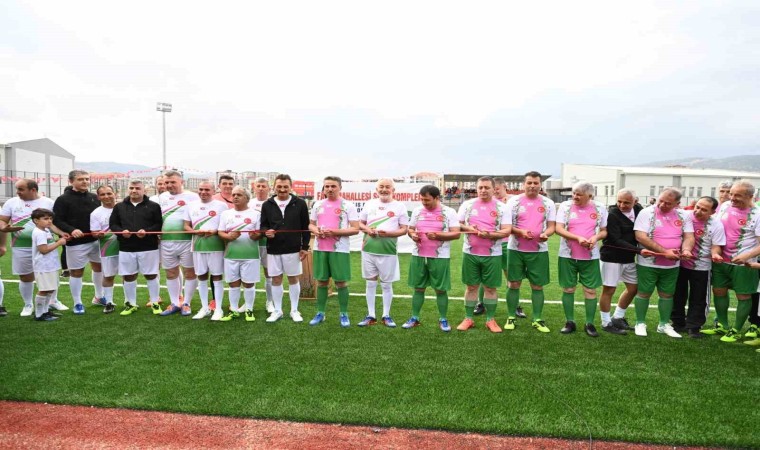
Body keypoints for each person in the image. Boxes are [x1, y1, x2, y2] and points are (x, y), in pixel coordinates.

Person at [632, 187, 694, 338]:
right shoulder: (646, 212)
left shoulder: (683, 215)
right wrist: (665, 252)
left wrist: (686, 250)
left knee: (667, 294)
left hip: (672, 264)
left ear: (677, 204)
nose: (662, 205)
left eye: (668, 203)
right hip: (648, 263)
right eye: (661, 201)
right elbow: (640, 236)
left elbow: (689, 236)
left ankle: (664, 324)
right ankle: (640, 323)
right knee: (644, 292)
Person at [703, 180, 760, 342]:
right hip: (720, 260)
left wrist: (746, 256)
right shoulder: (725, 206)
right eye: (731, 194)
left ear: (750, 196)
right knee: (719, 291)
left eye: (737, 195)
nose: (732, 198)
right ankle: (723, 325)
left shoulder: (757, 214)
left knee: (743, 296)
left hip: (743, 264)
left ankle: (736, 330)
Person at [0, 179, 67, 316]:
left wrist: (61, 234)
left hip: (46, 244)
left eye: (21, 189)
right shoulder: (11, 202)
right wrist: (4, 227)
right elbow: (2, 220)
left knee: (50, 273)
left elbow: (53, 223)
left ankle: (53, 301)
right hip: (21, 245)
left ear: (33, 190)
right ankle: (28, 304)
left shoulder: (48, 202)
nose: (18, 192)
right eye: (17, 189)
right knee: (25, 276)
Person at [401, 185, 460, 331]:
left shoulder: (449, 212)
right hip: (418, 255)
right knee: (418, 288)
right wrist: (412, 235)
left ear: (437, 198)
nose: (424, 203)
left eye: (427, 200)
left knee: (440, 290)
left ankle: (443, 319)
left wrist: (438, 235)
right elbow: (410, 229)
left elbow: (456, 233)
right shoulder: (417, 211)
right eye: (422, 200)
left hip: (440, 256)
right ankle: (414, 318)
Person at [503, 172, 556, 333]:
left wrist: (546, 234)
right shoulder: (513, 202)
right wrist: (520, 232)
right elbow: (506, 226)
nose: (532, 186)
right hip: (516, 249)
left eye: (535, 183)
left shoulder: (548, 203)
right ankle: (511, 316)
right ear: (523, 184)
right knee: (513, 283)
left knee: (537, 285)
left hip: (539, 250)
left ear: (540, 185)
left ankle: (537, 319)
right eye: (529, 183)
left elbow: (552, 226)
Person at [456, 177, 510, 333]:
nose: (483, 190)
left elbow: (507, 230)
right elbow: (457, 225)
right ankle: (468, 318)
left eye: (486, 187)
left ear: (494, 189)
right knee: (471, 287)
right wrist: (469, 228)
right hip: (470, 253)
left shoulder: (502, 207)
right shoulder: (467, 205)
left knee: (490, 288)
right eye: (480, 187)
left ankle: (490, 320)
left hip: (493, 254)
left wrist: (490, 234)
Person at [555, 182, 608, 337]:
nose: (575, 196)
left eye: (579, 194)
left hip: (590, 256)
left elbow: (604, 231)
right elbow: (559, 229)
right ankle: (569, 322)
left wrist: (595, 238)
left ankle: (589, 323)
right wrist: (578, 238)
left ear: (590, 196)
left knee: (590, 290)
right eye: (574, 193)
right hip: (567, 255)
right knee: (568, 289)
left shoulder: (600, 208)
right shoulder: (565, 206)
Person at [308, 176, 360, 327]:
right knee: (321, 281)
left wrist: (334, 232)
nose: (330, 189)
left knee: (341, 282)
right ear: (324, 188)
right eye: (327, 186)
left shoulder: (348, 205)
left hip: (340, 250)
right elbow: (311, 225)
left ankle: (343, 313)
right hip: (320, 248)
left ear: (340, 188)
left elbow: (355, 229)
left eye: (333, 186)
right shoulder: (318, 204)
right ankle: (320, 313)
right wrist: (316, 230)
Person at [357, 178, 409, 328]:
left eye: (387, 187)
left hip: (388, 250)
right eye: (381, 187)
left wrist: (388, 234)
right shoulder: (369, 204)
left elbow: (404, 229)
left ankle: (386, 315)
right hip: (368, 249)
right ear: (376, 189)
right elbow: (360, 224)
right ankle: (371, 315)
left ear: (393, 190)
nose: (384, 189)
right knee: (370, 282)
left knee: (386, 284)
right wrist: (368, 230)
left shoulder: (400, 206)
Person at [671, 196, 725, 338]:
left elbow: (716, 246)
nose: (698, 211)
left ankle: (694, 327)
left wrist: (715, 254)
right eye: (697, 207)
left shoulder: (717, 225)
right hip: (679, 263)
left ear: (712, 212)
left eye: (704, 210)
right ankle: (677, 323)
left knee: (699, 297)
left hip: (702, 266)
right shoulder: (685, 216)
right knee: (677, 294)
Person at [260, 174, 311, 323]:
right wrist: (266, 232)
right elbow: (263, 225)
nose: (282, 189)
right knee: (276, 279)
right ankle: (278, 311)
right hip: (273, 248)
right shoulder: (267, 204)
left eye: (285, 186)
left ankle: (294, 310)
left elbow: (305, 227)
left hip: (293, 249)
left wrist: (304, 247)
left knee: (293, 279)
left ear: (290, 187)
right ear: (274, 187)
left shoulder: (300, 203)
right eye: (279, 186)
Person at [53, 170, 103, 314]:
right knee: (76, 272)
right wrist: (72, 229)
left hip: (96, 241)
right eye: (81, 179)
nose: (85, 182)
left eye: (87, 179)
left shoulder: (94, 197)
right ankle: (78, 303)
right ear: (71, 181)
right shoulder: (62, 199)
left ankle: (99, 297)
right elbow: (57, 220)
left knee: (99, 268)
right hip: (76, 243)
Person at [109, 180, 163, 315]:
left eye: (137, 188)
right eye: (131, 188)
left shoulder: (154, 206)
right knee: (128, 276)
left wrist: (147, 231)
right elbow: (113, 225)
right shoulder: (119, 206)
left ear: (144, 190)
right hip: (126, 247)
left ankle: (155, 303)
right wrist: (121, 232)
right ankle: (131, 304)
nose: (134, 190)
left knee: (151, 275)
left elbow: (158, 225)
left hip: (149, 247)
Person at [474, 177, 526, 318]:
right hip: (490, 244)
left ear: (504, 187)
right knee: (484, 276)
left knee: (511, 277)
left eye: (497, 189)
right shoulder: (485, 203)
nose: (495, 191)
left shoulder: (513, 201)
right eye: (494, 189)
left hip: (508, 244)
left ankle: (515, 306)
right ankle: (481, 303)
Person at [183, 180, 228, 320]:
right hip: (198, 245)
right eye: (201, 189)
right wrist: (195, 231)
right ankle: (204, 308)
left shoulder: (222, 206)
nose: (203, 192)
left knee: (217, 276)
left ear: (214, 191)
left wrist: (214, 231)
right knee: (201, 276)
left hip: (216, 246)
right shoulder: (191, 205)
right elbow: (186, 226)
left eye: (207, 190)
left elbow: (225, 226)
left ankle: (218, 309)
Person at [599, 189, 643, 335]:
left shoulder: (639, 210)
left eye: (626, 202)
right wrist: (639, 250)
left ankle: (618, 317)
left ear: (635, 202)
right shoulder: (612, 214)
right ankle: (606, 322)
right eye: (619, 201)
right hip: (611, 258)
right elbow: (615, 240)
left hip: (628, 258)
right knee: (609, 290)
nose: (622, 205)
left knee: (634, 288)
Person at [157, 170, 200, 316]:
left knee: (190, 272)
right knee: (171, 273)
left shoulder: (193, 197)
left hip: (187, 241)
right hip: (166, 241)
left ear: (182, 182)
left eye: (173, 182)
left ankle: (186, 303)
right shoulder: (162, 197)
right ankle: (175, 303)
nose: (169, 185)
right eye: (167, 182)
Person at [218, 186, 262, 322]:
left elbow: (260, 233)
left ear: (247, 198)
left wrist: (256, 235)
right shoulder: (226, 214)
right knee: (233, 284)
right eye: (233, 195)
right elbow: (220, 232)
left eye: (239, 195)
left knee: (249, 284)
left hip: (250, 255)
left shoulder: (256, 214)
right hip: (231, 255)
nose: (235, 197)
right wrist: (228, 236)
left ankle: (249, 310)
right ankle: (234, 310)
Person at [30, 208, 68, 321]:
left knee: (50, 289)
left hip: (51, 265)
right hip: (43, 266)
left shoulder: (46, 230)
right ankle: (39, 314)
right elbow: (43, 250)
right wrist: (59, 243)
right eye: (46, 219)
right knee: (44, 289)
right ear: (36, 220)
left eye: (51, 218)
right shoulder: (39, 233)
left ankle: (45, 311)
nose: (49, 221)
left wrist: (58, 239)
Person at [89, 185, 120, 314]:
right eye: (102, 194)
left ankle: (129, 302)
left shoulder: (124, 208)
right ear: (98, 197)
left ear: (115, 194)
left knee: (129, 275)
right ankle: (109, 302)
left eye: (109, 193)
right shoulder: (96, 213)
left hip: (127, 247)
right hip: (108, 248)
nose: (106, 196)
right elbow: (94, 233)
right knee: (108, 275)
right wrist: (98, 234)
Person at [251, 178, 275, 314]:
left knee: (268, 273)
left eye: (263, 186)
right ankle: (249, 303)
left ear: (269, 188)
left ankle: (269, 301)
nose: (261, 188)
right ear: (254, 188)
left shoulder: (273, 203)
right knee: (249, 273)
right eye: (258, 186)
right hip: (251, 243)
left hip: (267, 243)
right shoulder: (249, 203)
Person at [146, 174, 166, 308]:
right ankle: (155, 296)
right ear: (156, 185)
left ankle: (179, 295)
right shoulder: (151, 200)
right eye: (160, 183)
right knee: (155, 266)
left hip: (171, 238)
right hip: (155, 238)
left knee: (173, 267)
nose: (163, 186)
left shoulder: (176, 199)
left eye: (165, 183)